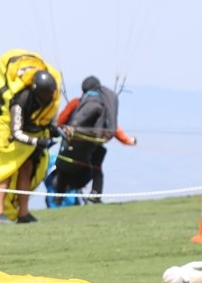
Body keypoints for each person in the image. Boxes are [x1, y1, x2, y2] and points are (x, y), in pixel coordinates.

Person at [0, 69, 60, 225]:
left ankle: (24, 213)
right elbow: (16, 131)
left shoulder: (50, 103)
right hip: (9, 138)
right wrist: (36, 142)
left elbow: (51, 122)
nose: (47, 97)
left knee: (27, 170)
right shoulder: (20, 102)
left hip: (32, 138)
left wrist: (55, 131)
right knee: (5, 172)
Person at [49, 76, 137, 204]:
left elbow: (61, 121)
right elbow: (112, 128)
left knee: (64, 169)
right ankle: (95, 194)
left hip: (74, 145)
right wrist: (128, 140)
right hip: (94, 145)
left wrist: (56, 131)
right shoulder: (104, 106)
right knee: (97, 168)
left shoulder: (75, 103)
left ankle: (58, 198)